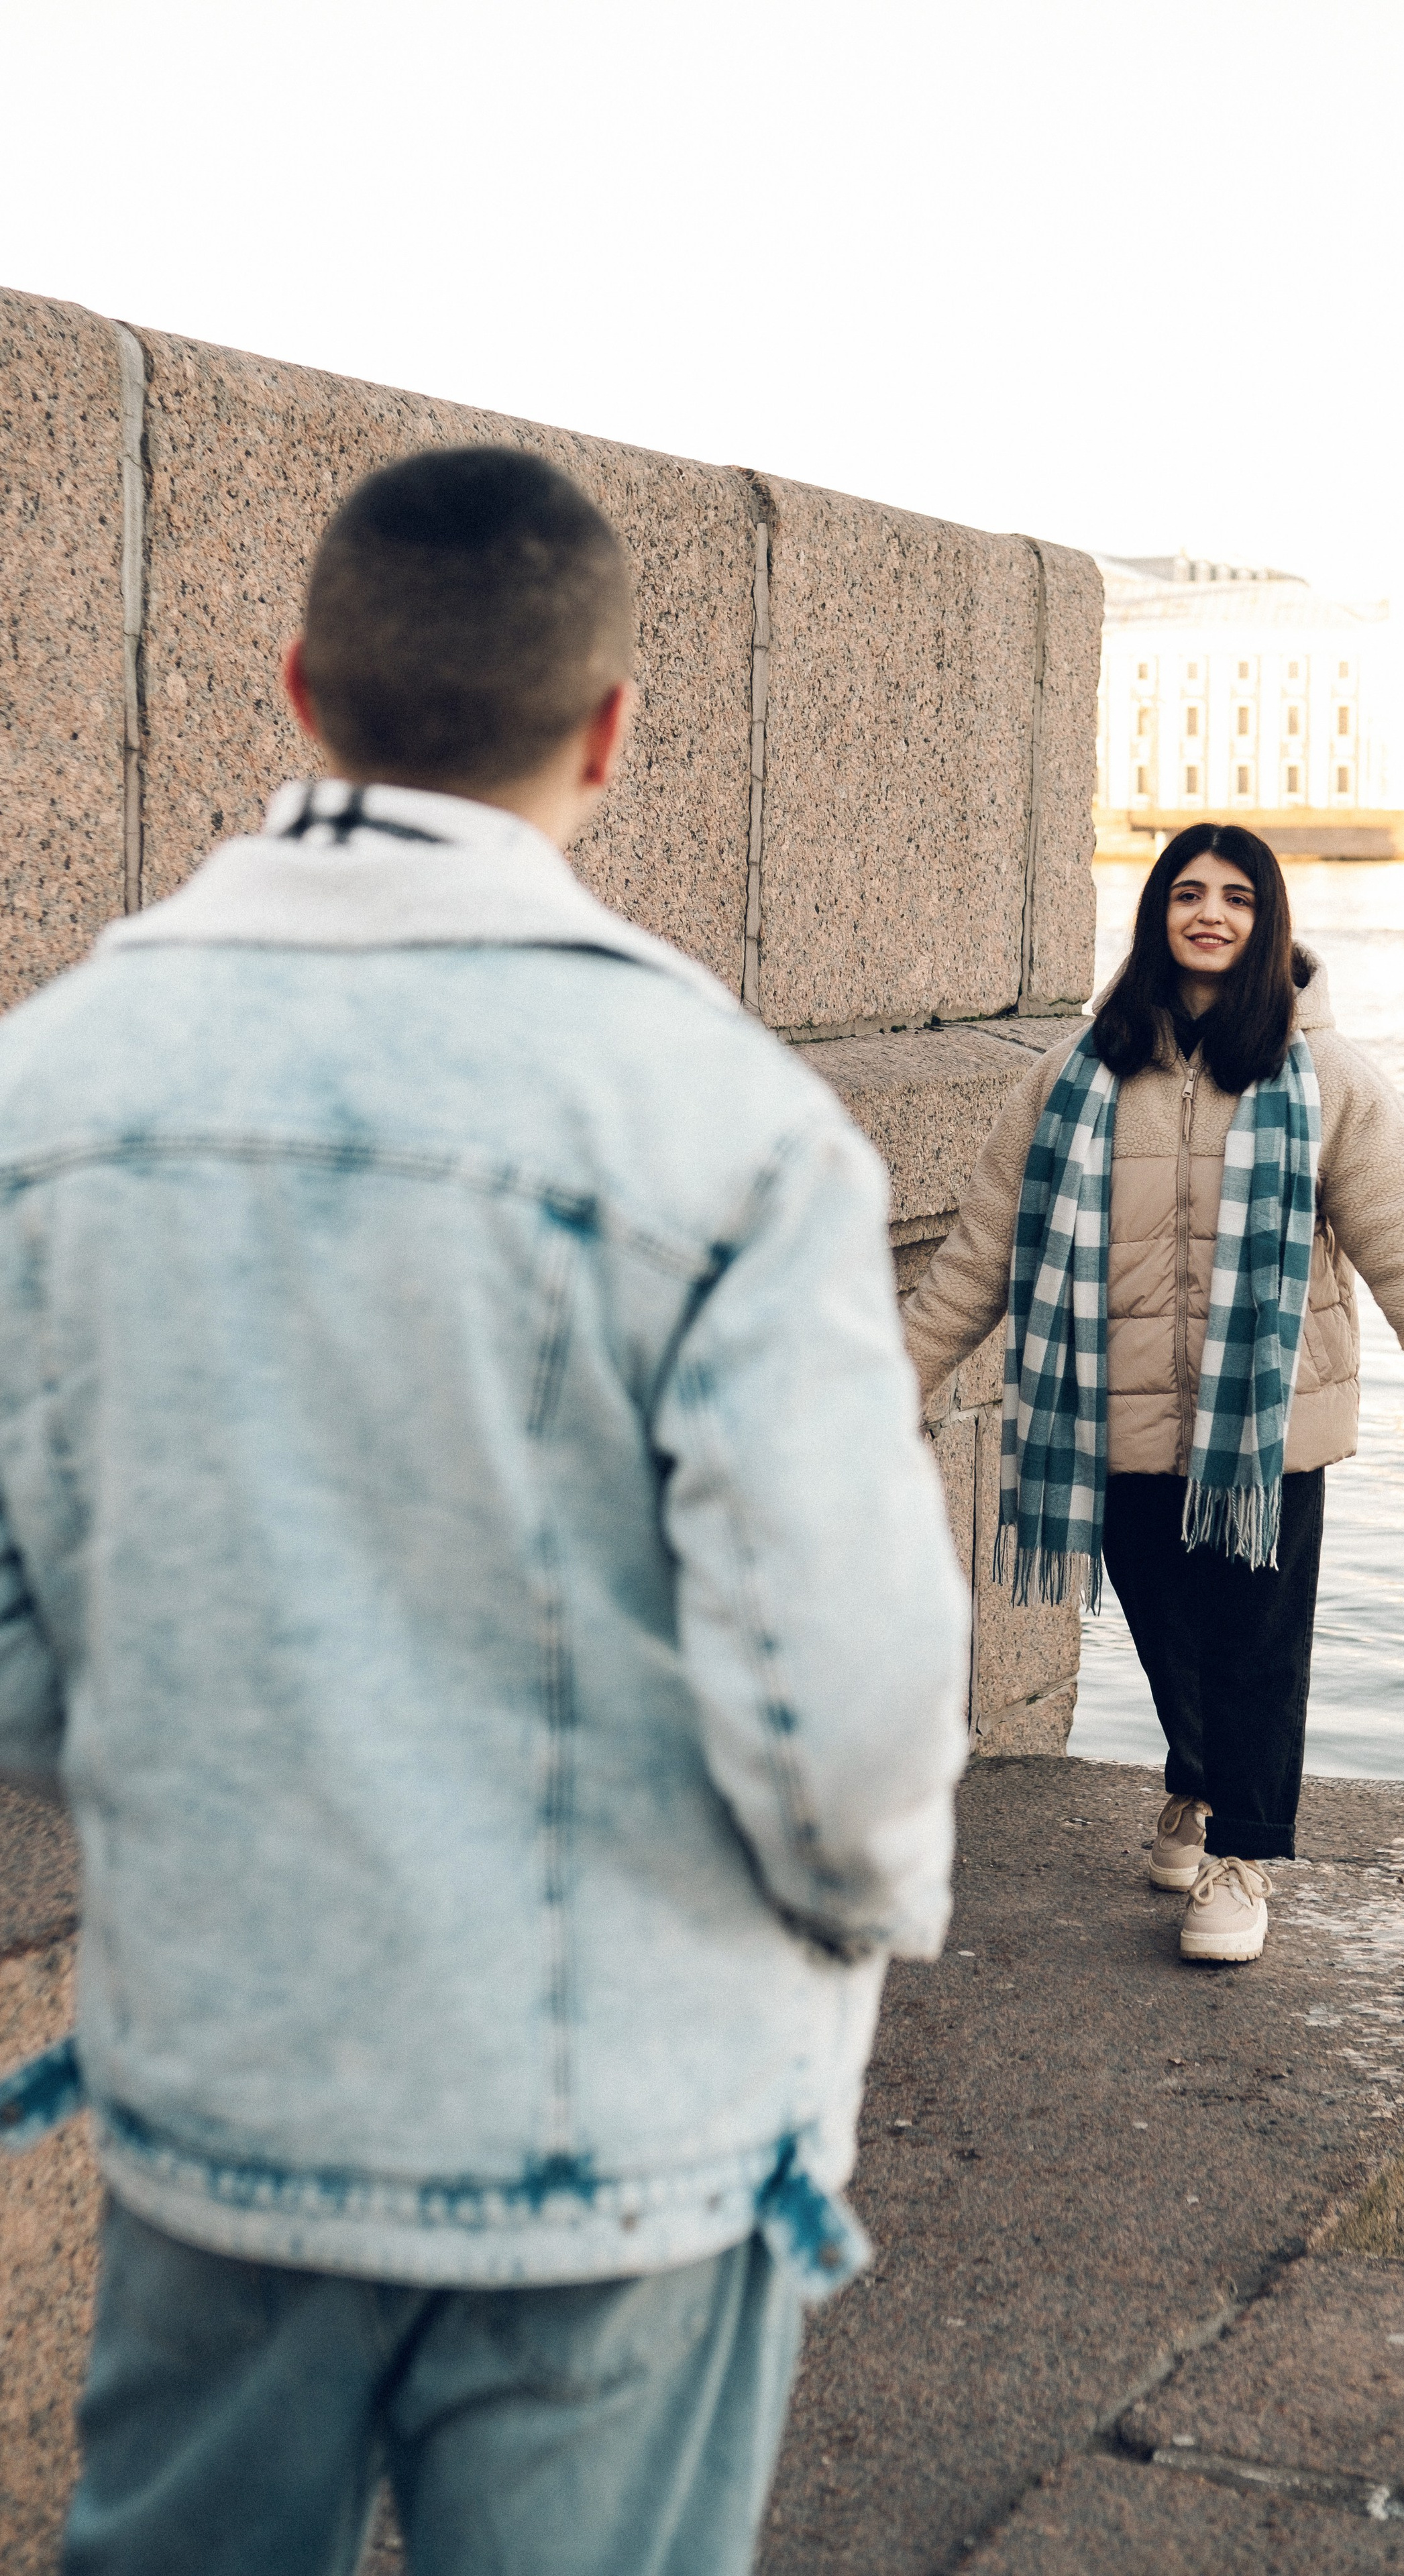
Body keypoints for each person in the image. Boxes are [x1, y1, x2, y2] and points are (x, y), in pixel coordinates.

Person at [0, 446, 969, 2576]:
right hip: (622, 2110)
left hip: (228, 2079)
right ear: (612, 731)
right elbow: (854, 1690)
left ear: (298, 690)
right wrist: (841, 1917)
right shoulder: (726, 1120)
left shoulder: (49, 1087)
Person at [902, 820, 1404, 1966]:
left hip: (1270, 1431)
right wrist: (892, 1383)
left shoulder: (1328, 1078)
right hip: (1115, 1412)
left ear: (1267, 920)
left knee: (1253, 1639)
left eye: (1237, 897)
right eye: (1188, 893)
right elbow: (983, 1252)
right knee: (1164, 1624)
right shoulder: (1073, 1074)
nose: (1211, 914)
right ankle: (1193, 1780)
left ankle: (1243, 1854)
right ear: (1156, 916)